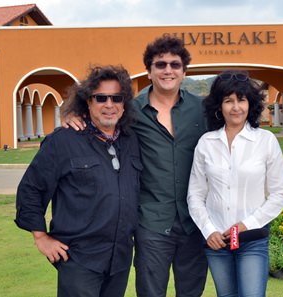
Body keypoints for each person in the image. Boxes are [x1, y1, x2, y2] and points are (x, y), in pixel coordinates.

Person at [63, 36, 208, 297]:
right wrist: (72, 114)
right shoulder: (130, 110)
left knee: (192, 292)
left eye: (175, 65)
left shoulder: (202, 110)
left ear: (184, 71)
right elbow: (98, 115)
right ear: (149, 71)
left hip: (194, 221)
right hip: (151, 222)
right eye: (160, 64)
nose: (168, 70)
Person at [15, 65, 142, 297]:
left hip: (120, 258)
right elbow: (31, 189)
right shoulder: (62, 141)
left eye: (117, 98)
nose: (109, 104)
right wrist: (40, 237)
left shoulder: (132, 140)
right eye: (101, 98)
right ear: (87, 102)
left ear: (125, 104)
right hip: (79, 259)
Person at [187, 70, 283, 297]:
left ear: (250, 104)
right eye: (228, 101)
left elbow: (280, 194)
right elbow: (195, 194)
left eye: (241, 100)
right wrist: (208, 230)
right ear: (218, 106)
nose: (236, 107)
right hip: (217, 242)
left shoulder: (265, 141)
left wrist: (247, 224)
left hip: (252, 240)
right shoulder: (206, 143)